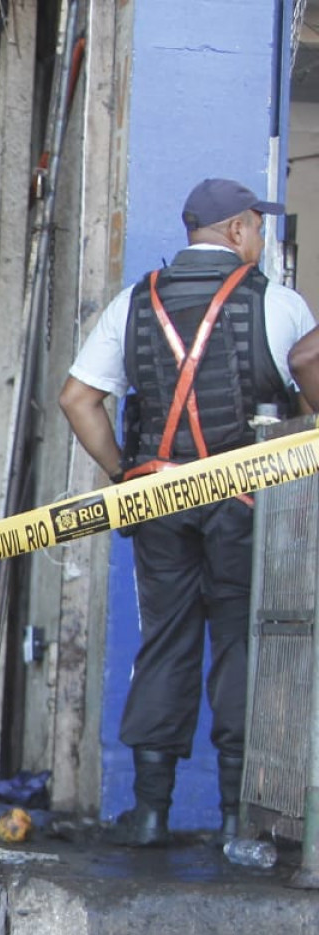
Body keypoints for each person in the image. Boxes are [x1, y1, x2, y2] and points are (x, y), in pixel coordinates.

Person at [59, 177, 314, 846]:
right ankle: (236, 819)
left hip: (158, 504)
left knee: (165, 642)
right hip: (246, 507)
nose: (260, 239)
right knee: (240, 646)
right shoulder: (279, 304)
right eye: (257, 227)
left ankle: (148, 814)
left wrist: (124, 474)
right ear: (237, 230)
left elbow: (77, 399)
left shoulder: (132, 304)